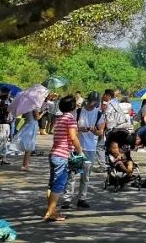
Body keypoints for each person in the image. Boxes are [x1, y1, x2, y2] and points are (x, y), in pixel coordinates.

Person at [44, 94, 82, 222]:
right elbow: (73, 137)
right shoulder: (70, 119)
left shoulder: (59, 119)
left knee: (52, 184)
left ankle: (52, 210)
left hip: (54, 154)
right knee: (59, 185)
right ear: (73, 106)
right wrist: (80, 151)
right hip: (62, 155)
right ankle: (50, 213)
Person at [63, 92, 104, 210]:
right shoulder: (79, 111)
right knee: (71, 174)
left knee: (85, 176)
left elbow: (100, 131)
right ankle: (67, 199)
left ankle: (82, 198)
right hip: (76, 146)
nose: (94, 105)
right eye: (92, 102)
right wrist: (79, 129)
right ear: (88, 100)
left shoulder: (98, 114)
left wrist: (93, 130)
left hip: (90, 148)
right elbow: (71, 127)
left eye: (96, 103)